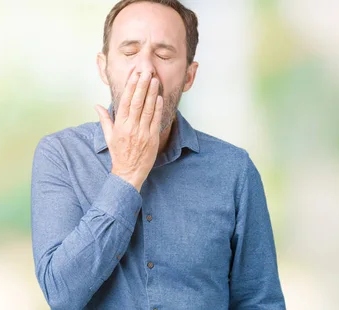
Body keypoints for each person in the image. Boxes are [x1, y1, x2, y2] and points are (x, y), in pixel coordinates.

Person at [30, 0, 285, 309]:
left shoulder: (234, 170)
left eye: (164, 54)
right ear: (103, 67)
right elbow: (61, 294)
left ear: (189, 76)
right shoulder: (61, 156)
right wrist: (126, 175)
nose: (146, 68)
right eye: (129, 52)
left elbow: (260, 301)